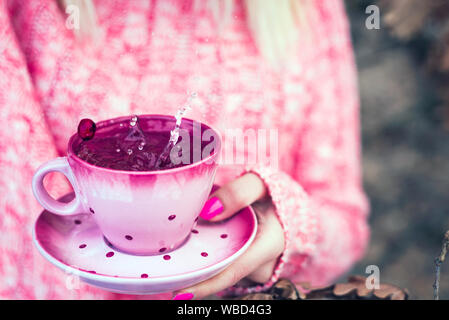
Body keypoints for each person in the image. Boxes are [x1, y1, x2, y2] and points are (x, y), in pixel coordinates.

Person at [0, 0, 369, 299]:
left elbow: (345, 222)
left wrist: (294, 228)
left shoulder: (306, 9)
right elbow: (15, 251)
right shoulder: (24, 10)